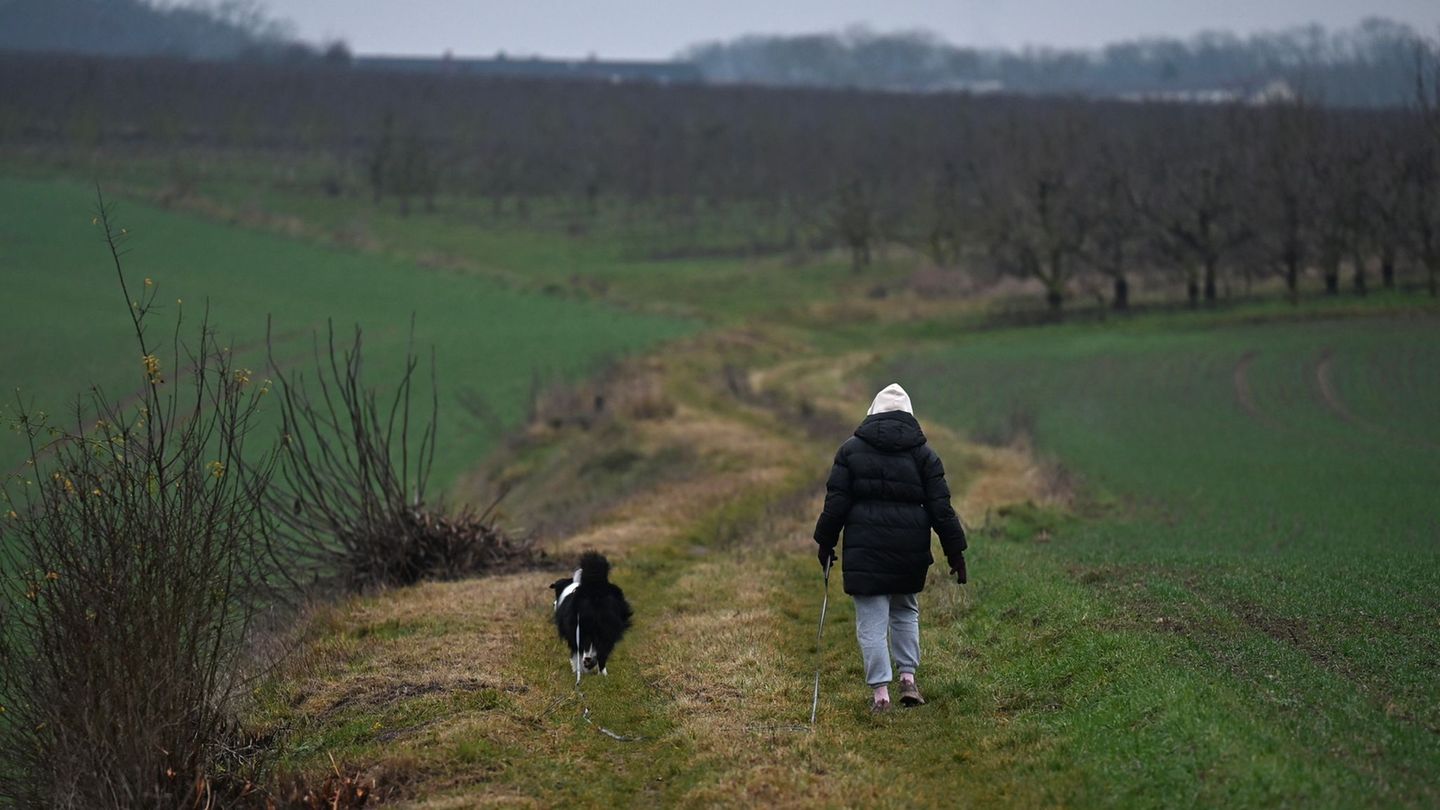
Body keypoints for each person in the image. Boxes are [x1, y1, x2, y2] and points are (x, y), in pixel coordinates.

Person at [813, 382, 967, 712]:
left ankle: (881, 694)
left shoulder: (850, 451)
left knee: (871, 620)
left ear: (872, 412)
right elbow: (941, 509)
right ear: (909, 415)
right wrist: (955, 552)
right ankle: (908, 679)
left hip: (865, 549)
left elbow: (835, 503)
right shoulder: (925, 455)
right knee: (905, 610)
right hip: (909, 548)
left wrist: (825, 542)